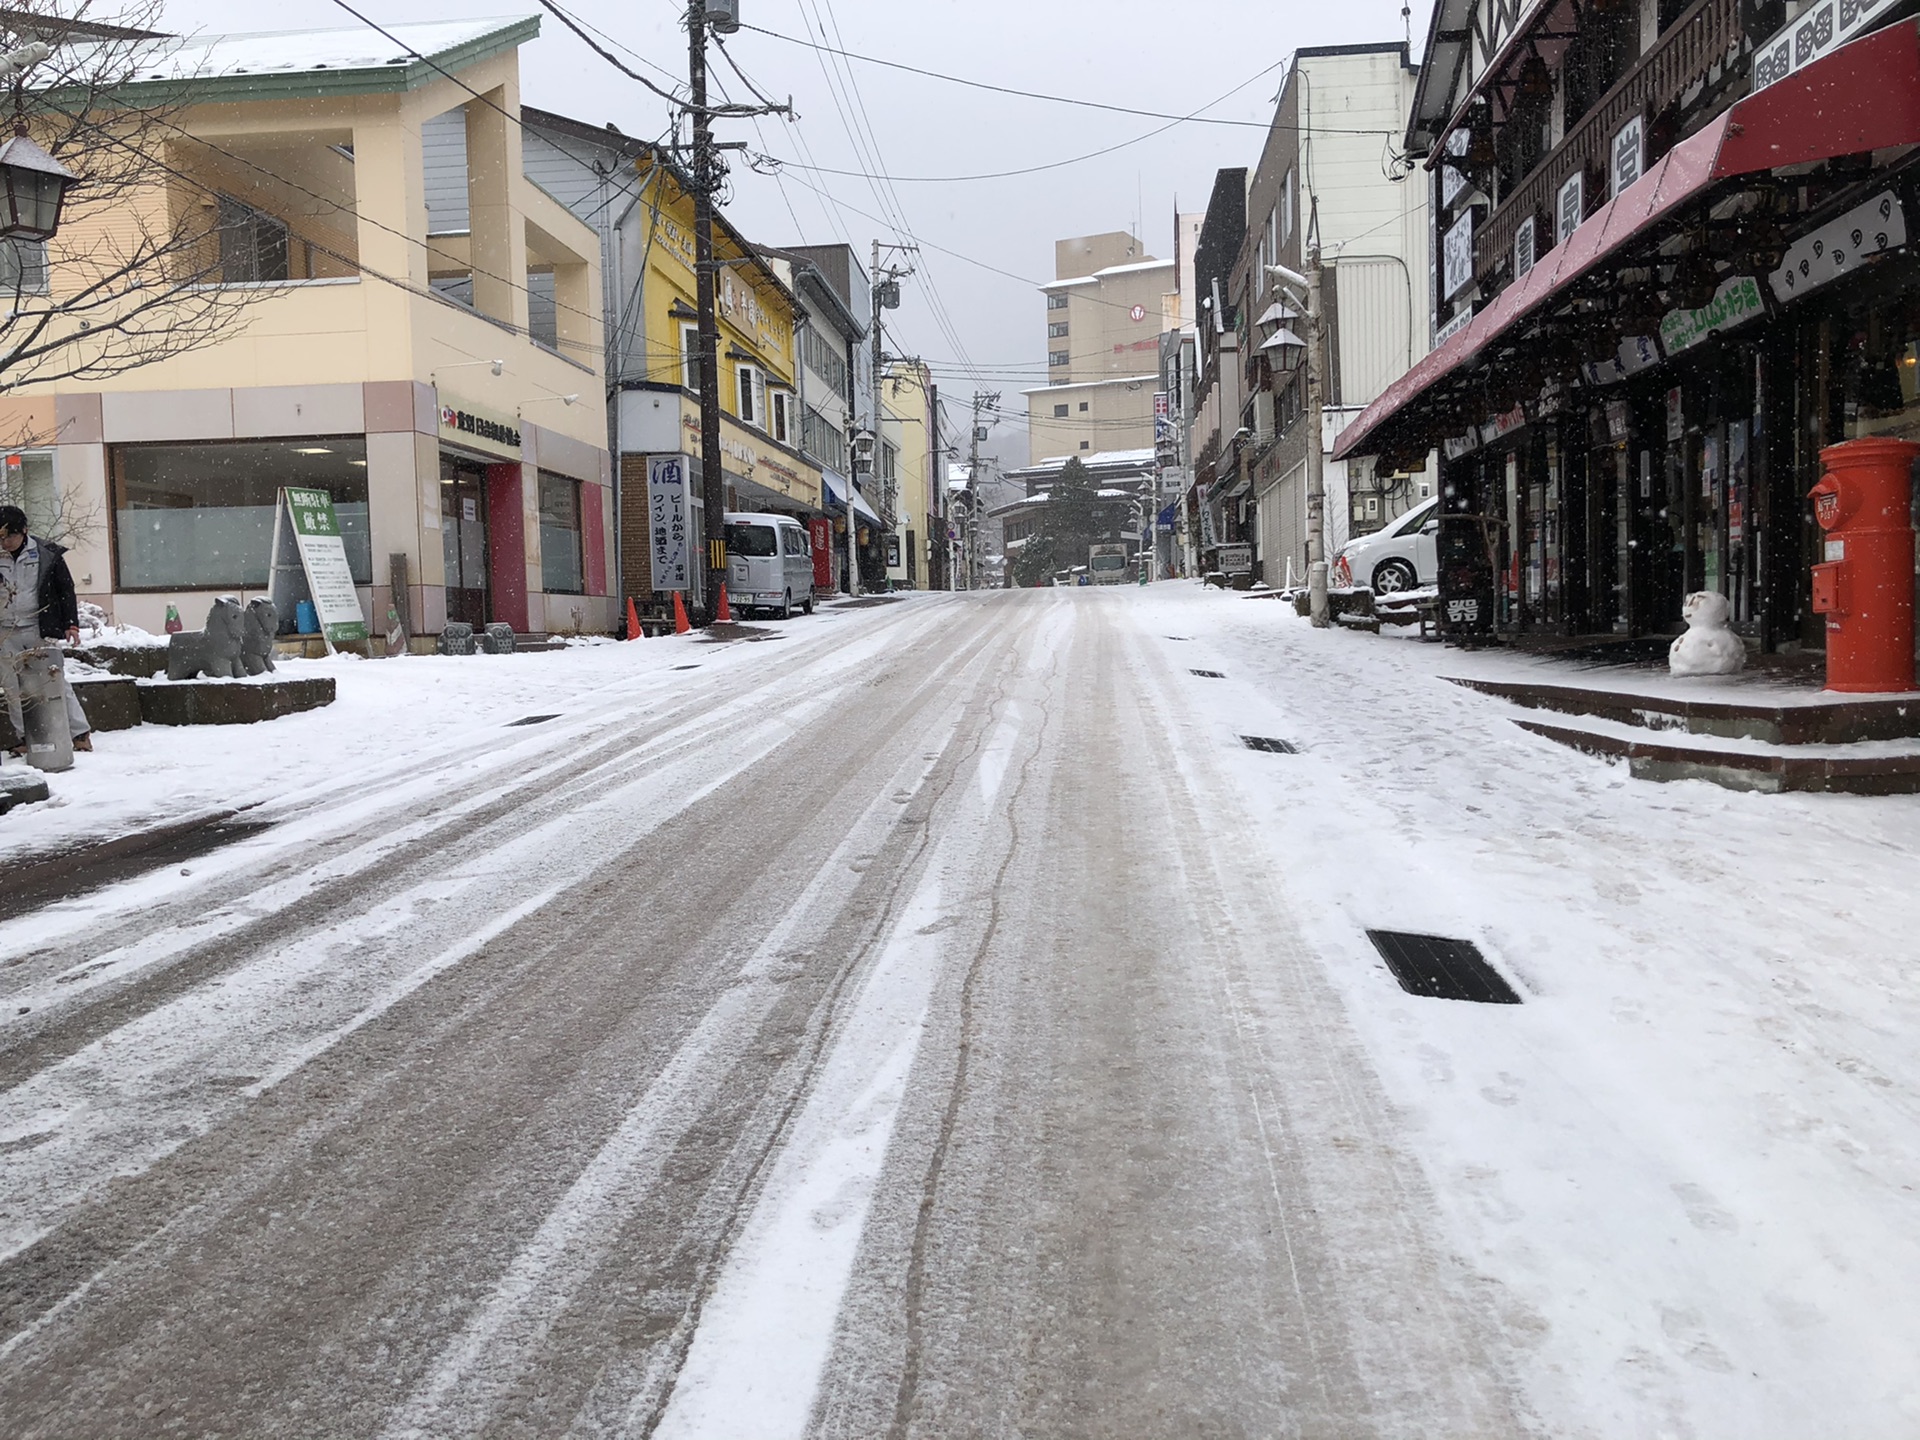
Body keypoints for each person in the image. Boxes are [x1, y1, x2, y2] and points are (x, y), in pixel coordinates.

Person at [0, 505, 91, 755]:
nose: (6, 542)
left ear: (24, 531)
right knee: (12, 687)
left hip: (40, 627)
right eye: (1, 537)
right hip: (6, 631)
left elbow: (65, 590)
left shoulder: (47, 554)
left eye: (10, 536)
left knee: (54, 679)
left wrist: (70, 623)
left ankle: (79, 732)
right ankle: (26, 736)